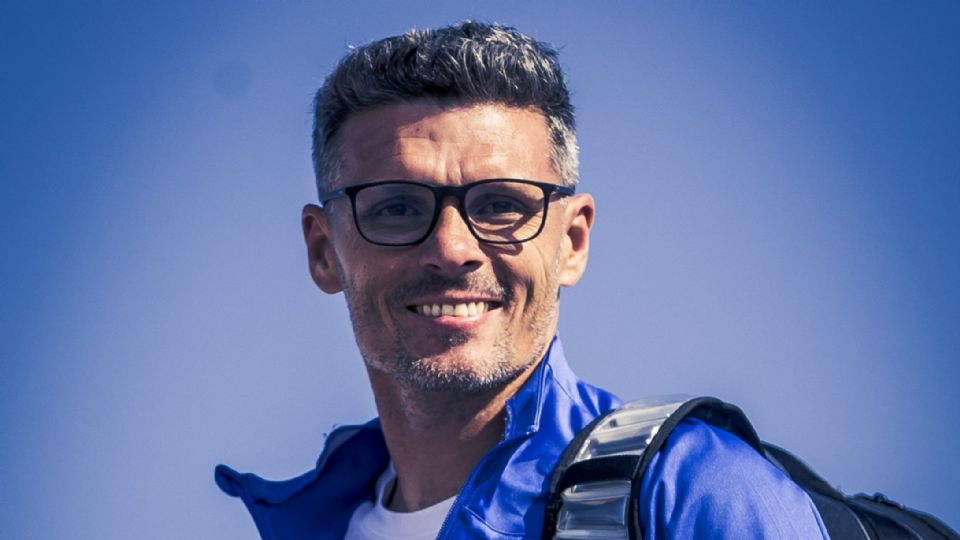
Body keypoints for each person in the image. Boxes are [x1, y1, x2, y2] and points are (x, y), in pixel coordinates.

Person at [216, 21, 830, 539]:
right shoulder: (314, 524)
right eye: (397, 207)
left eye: (501, 205)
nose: (452, 250)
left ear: (572, 241)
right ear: (323, 250)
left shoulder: (692, 492)